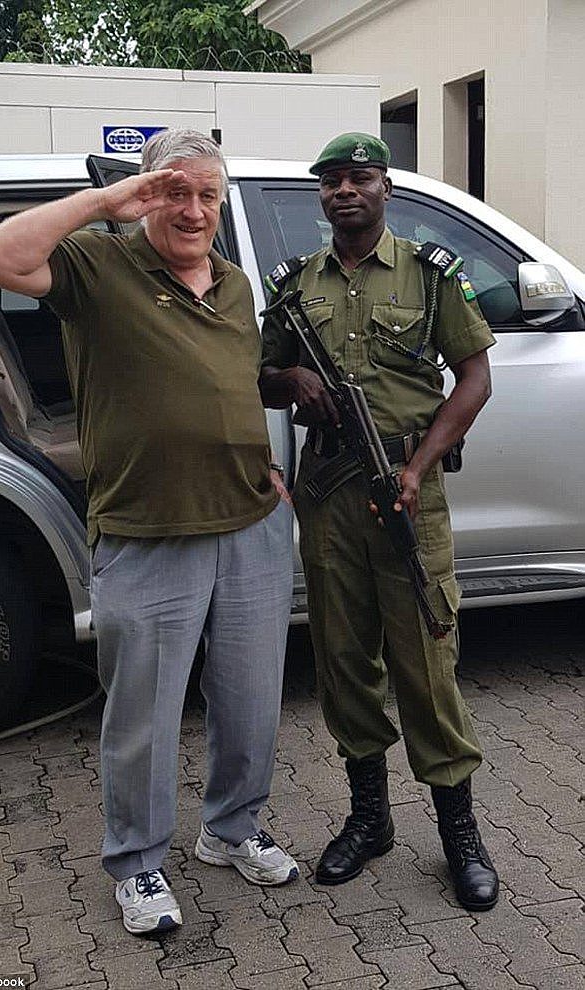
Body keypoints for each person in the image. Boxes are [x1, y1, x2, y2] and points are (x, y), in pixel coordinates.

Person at [0, 128, 299, 937]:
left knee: (252, 700)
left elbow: (228, 385)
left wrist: (263, 467)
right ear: (145, 193)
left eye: (207, 196)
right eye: (173, 191)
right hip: (149, 527)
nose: (192, 210)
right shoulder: (96, 265)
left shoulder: (232, 284)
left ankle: (231, 830)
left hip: (249, 519)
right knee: (144, 712)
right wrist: (108, 203)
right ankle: (138, 863)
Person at [260, 132, 499, 911]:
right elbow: (260, 378)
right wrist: (290, 376)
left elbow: (475, 378)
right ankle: (371, 820)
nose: (343, 191)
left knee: (426, 663)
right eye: (330, 182)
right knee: (341, 657)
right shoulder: (297, 285)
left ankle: (459, 833)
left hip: (406, 490)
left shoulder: (431, 278)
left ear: (385, 187)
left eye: (358, 178)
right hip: (328, 493)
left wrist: (419, 464)